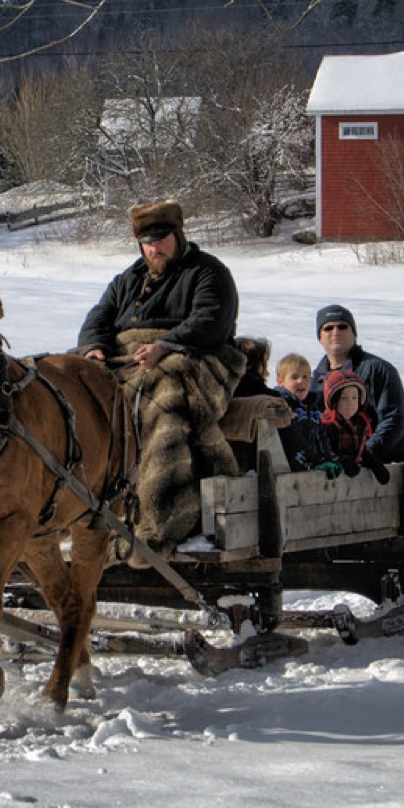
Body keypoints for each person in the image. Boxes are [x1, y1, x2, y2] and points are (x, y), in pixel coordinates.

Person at [77, 201, 246, 554]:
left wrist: (166, 345)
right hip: (129, 358)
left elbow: (211, 320)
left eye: (162, 239)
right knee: (72, 387)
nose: (155, 248)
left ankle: (161, 511)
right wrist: (93, 349)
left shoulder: (208, 272)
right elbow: (99, 317)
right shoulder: (128, 279)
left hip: (199, 358)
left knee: (160, 390)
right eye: (148, 242)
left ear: (178, 235)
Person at [310, 303, 404, 463]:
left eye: (343, 326)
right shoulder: (315, 380)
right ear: (320, 337)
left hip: (383, 466)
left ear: (354, 333)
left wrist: (364, 454)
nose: (335, 332)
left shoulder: (377, 370)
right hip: (337, 469)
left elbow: (394, 420)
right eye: (328, 328)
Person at [318, 369, 389, 483]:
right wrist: (342, 461)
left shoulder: (360, 423)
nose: (350, 403)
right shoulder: (328, 424)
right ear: (334, 401)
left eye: (355, 398)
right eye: (344, 398)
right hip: (328, 481)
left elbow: (360, 448)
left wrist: (373, 463)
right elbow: (323, 450)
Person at [271, 353, 333, 473]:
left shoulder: (312, 408)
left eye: (306, 377)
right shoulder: (283, 405)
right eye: (294, 377)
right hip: (287, 467)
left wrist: (327, 458)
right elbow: (294, 439)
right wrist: (312, 460)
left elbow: (321, 436)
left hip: (309, 466)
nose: (301, 381)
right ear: (280, 381)